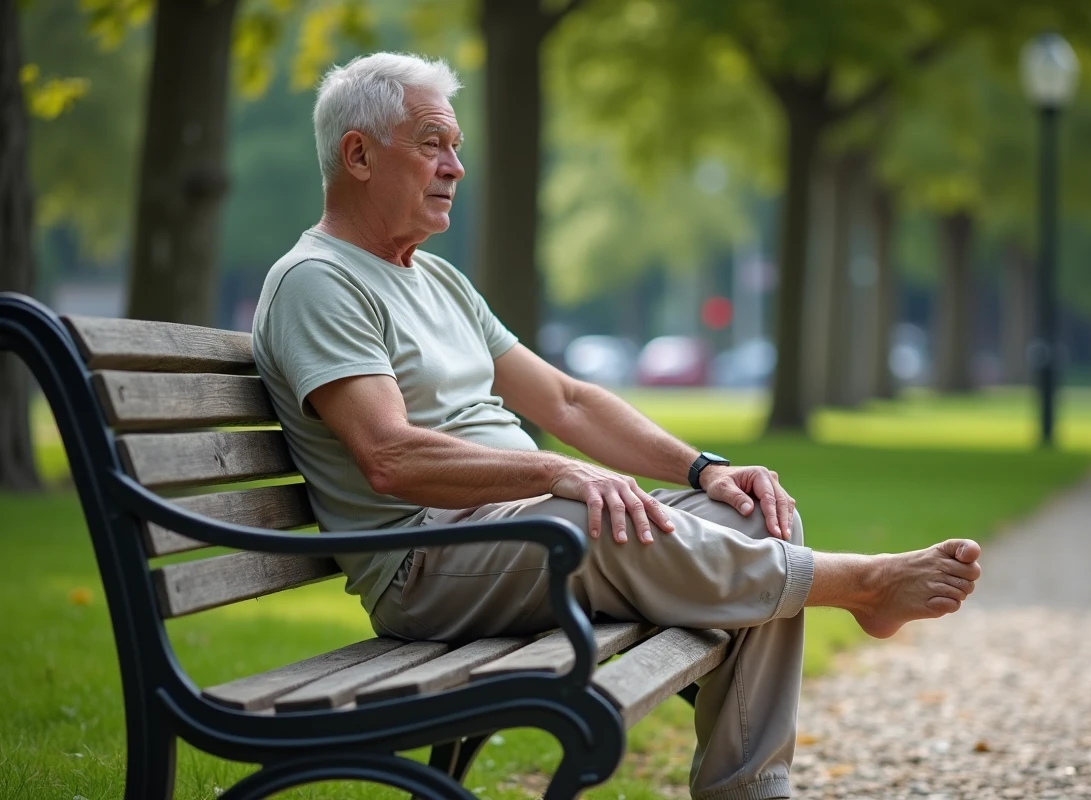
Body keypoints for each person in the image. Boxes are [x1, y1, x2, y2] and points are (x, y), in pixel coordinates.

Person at [251, 52, 982, 800]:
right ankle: (862, 583)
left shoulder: (436, 279)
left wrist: (706, 471)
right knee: (586, 520)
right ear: (359, 154)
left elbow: (566, 401)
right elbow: (388, 455)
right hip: (429, 562)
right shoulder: (319, 282)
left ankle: (753, 791)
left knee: (754, 514)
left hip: (526, 532)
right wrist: (556, 473)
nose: (455, 168)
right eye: (433, 143)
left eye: (458, 148)